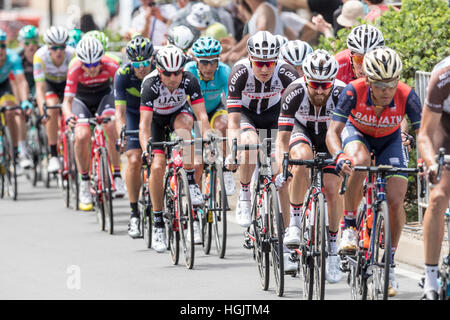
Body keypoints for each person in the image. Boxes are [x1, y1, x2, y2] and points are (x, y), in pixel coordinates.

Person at [326, 47, 422, 296]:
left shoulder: (407, 95)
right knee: (358, 160)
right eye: (380, 85)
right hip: (357, 133)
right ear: (368, 80)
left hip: (389, 140)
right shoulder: (352, 91)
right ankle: (349, 224)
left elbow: (426, 134)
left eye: (391, 83)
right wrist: (339, 155)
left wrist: (424, 160)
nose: (387, 91)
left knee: (395, 199)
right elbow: (333, 132)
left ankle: (389, 262)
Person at [276, 49, 346, 279]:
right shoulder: (294, 91)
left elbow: (349, 135)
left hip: (330, 136)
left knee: (333, 187)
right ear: (305, 79)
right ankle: (295, 224)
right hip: (301, 130)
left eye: (324, 86)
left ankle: (333, 250)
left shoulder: (342, 93)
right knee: (301, 157)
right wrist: (282, 166)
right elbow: (282, 139)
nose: (318, 90)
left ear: (332, 83)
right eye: (314, 84)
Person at [139, 45, 210, 251]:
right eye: (168, 73)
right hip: (156, 122)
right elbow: (144, 125)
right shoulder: (150, 85)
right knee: (158, 166)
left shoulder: (189, 79)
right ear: (159, 71)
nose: (173, 77)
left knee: (185, 132)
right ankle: (159, 221)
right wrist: (146, 150)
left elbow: (202, 116)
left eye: (177, 72)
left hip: (179, 114)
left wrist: (207, 138)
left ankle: (190, 181)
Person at [225, 31, 299, 229]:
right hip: (246, 114)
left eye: (270, 63)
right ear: (250, 59)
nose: (265, 69)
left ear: (277, 60)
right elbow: (232, 122)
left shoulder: (287, 73)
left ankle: (285, 236)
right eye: (259, 63)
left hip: (274, 115)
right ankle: (245, 194)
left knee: (279, 170)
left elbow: (296, 116)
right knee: (249, 142)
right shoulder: (239, 72)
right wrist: (233, 152)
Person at [63, 36, 125, 211]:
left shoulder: (112, 65)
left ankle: (117, 174)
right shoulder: (74, 68)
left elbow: (121, 95)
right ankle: (84, 182)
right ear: (81, 62)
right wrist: (69, 116)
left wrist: (121, 116)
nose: (91, 69)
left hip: (104, 97)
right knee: (81, 136)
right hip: (82, 100)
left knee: (111, 125)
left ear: (101, 60)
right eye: (87, 65)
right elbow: (67, 102)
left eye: (95, 64)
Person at [114, 36, 154, 239]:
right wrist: (122, 133)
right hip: (132, 114)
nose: (142, 68)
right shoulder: (122, 74)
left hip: (154, 114)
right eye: (137, 64)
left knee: (160, 158)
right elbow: (119, 113)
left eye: (146, 63)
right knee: (134, 159)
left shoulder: (159, 71)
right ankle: (134, 214)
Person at [417, 55, 450, 300]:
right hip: (444, 129)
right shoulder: (443, 77)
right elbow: (425, 135)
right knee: (439, 195)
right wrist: (431, 164)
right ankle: (430, 277)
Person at [185, 36, 235, 196]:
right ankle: (197, 202)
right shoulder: (188, 71)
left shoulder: (225, 71)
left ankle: (226, 169)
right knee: (197, 163)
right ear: (196, 61)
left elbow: (231, 104)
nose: (209, 67)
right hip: (192, 114)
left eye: (213, 62)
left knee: (224, 125)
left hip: (215, 110)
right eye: (204, 62)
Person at [34, 26, 76, 174]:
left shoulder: (72, 54)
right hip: (50, 84)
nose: (59, 51)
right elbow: (39, 88)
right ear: (48, 47)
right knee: (51, 108)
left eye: (62, 47)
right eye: (55, 48)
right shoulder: (40, 56)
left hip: (67, 84)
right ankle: (53, 155)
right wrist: (42, 111)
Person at [0, 29, 33, 170]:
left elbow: (21, 81)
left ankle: (15, 152)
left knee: (10, 110)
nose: (0, 49)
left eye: (2, 46)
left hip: (4, 85)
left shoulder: (13, 58)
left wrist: (24, 101)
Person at [221, 0, 284, 64]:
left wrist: (240, 54)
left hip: (268, 62)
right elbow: (249, 37)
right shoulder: (261, 9)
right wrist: (229, 53)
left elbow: (259, 34)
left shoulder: (264, 9)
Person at [17, 25, 40, 96]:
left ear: (38, 42)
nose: (31, 45)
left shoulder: (43, 53)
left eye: (33, 42)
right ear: (21, 43)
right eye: (27, 43)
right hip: (23, 83)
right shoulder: (17, 56)